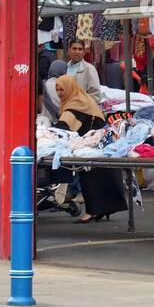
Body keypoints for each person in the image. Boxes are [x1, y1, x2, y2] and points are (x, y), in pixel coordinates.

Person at [51, 74, 126, 223]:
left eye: (62, 89)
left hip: (94, 146)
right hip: (99, 144)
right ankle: (101, 210)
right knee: (100, 177)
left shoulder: (75, 104)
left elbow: (64, 127)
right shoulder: (80, 99)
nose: (60, 93)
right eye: (57, 89)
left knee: (91, 177)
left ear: (70, 88)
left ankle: (93, 211)